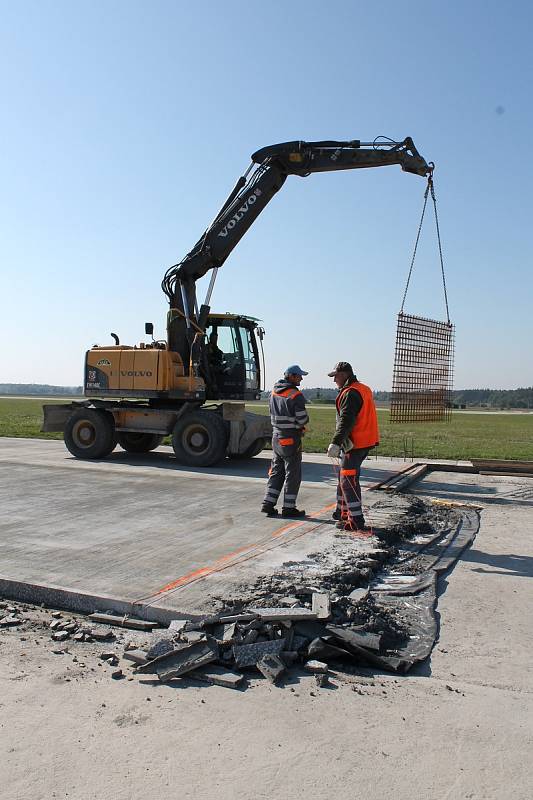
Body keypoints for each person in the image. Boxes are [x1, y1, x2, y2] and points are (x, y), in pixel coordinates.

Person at [326, 361, 379, 532]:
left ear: (344, 375)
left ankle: (356, 520)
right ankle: (341, 512)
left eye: (335, 377)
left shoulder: (350, 393)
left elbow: (346, 421)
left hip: (355, 444)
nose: (334, 380)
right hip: (365, 441)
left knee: (348, 480)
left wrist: (336, 442)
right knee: (345, 476)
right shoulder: (363, 388)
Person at [261, 365, 309, 518]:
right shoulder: (295, 395)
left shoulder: (273, 392)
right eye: (299, 376)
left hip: (276, 438)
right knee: (292, 474)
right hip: (290, 439)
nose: (301, 378)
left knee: (276, 471)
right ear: (292, 376)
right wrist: (299, 425)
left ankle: (268, 504)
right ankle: (288, 508)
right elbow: (302, 419)